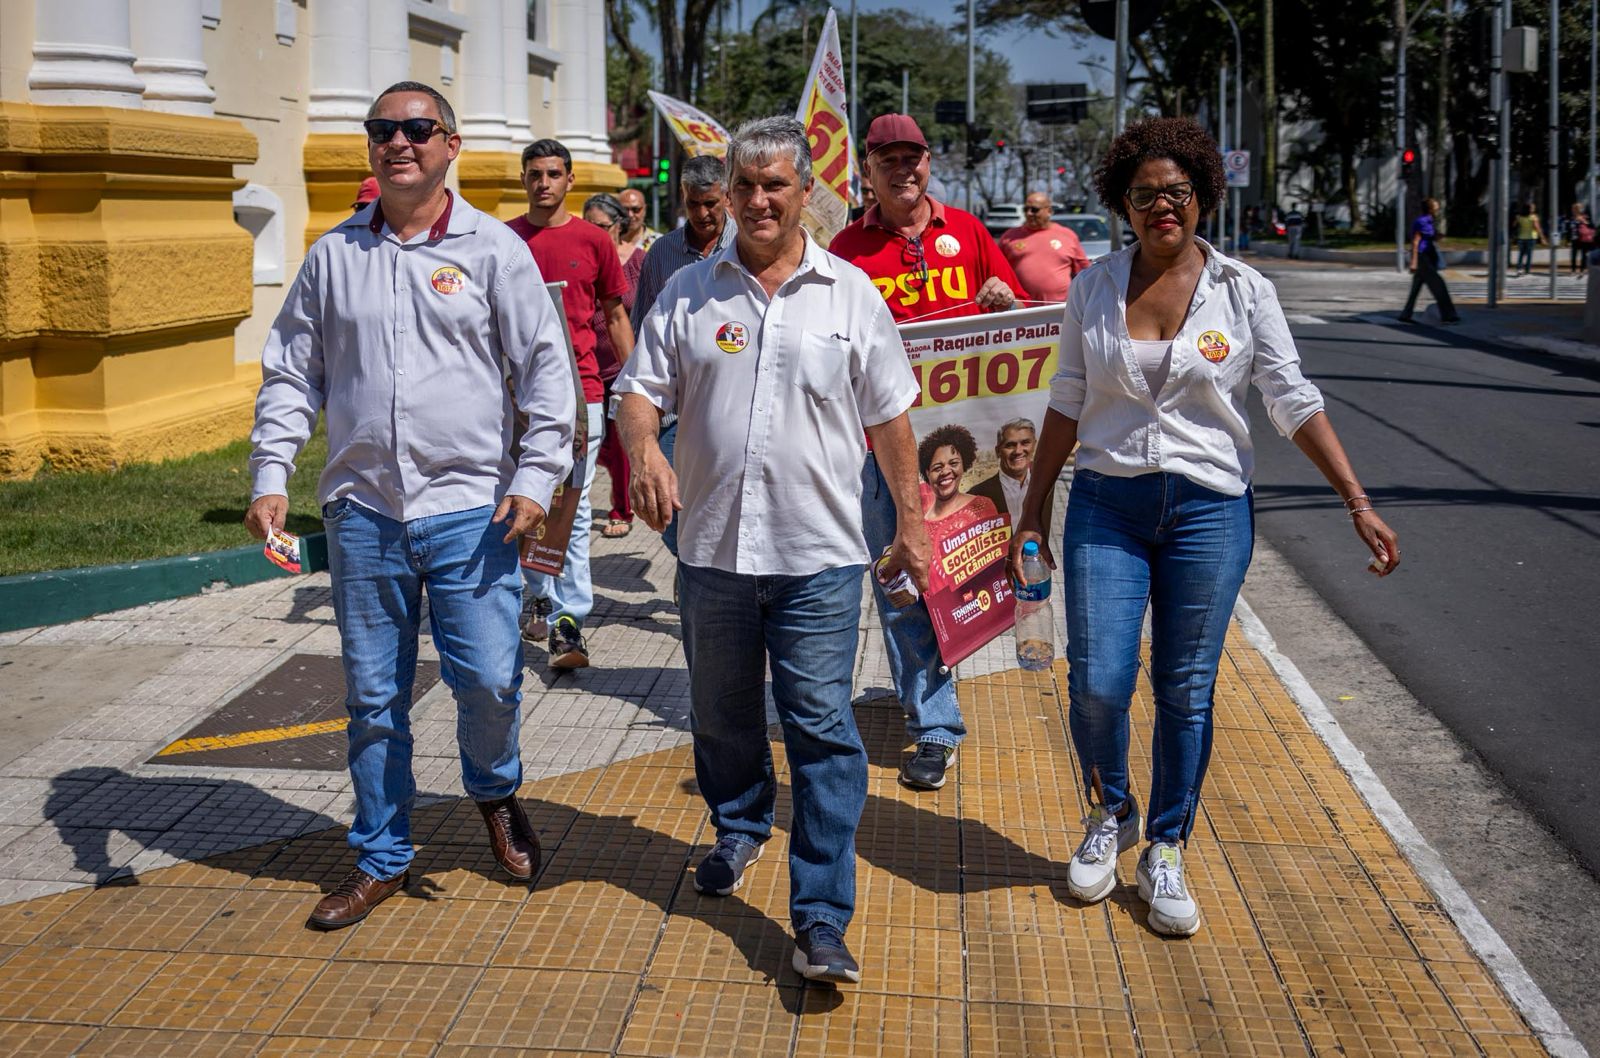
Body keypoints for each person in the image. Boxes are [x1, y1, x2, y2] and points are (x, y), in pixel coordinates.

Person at [1008, 117, 1400, 939]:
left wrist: (1356, 499)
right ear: (1122, 201)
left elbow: (1292, 401)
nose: (1162, 207)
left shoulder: (1244, 291)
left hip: (1209, 512)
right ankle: (1110, 813)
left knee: (1185, 689)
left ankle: (1167, 846)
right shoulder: (1093, 287)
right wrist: (1034, 507)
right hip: (1107, 507)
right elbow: (1069, 400)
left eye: (1177, 192)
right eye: (1145, 194)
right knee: (1101, 681)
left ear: (1202, 196)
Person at [246, 81, 576, 930]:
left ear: (451, 145)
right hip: (366, 513)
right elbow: (291, 373)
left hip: (473, 509)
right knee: (372, 698)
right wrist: (270, 475)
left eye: (417, 129)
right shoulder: (332, 258)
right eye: (383, 130)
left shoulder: (495, 250)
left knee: (491, 682)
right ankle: (382, 855)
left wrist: (535, 480)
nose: (399, 142)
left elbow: (546, 375)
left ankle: (494, 790)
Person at [615, 116, 929, 985]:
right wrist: (644, 447)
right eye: (745, 185)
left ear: (803, 195)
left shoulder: (852, 296)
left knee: (823, 729)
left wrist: (912, 522)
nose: (757, 201)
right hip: (712, 550)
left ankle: (821, 917)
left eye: (775, 186)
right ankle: (741, 826)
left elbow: (890, 418)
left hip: (819, 556)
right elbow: (638, 389)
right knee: (719, 717)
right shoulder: (687, 291)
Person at [829, 112, 1022, 791]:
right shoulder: (846, 249)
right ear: (868, 169)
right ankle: (934, 725)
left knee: (965, 580)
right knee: (905, 585)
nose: (903, 170)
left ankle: (929, 698)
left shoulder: (968, 232)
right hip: (878, 449)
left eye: (913, 158)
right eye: (888, 159)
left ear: (928, 161)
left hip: (957, 453)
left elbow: (1015, 321)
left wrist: (1001, 299)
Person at [507, 139, 632, 670]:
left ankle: (568, 620)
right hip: (514, 400)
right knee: (525, 502)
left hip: (583, 396)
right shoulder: (504, 240)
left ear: (569, 179)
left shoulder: (593, 240)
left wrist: (636, 384)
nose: (544, 183)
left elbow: (616, 316)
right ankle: (535, 592)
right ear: (524, 179)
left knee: (573, 508)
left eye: (553, 173)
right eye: (535, 173)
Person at [631, 154, 736, 561]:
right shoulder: (662, 253)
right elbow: (643, 327)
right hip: (677, 408)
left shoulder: (745, 246)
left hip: (730, 400)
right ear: (682, 200)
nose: (704, 213)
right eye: (694, 204)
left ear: (726, 197)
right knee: (670, 510)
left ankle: (705, 571)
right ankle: (691, 562)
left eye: (711, 203)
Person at [583, 193, 646, 539]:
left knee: (619, 446)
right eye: (588, 225)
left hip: (620, 368)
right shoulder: (581, 258)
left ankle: (622, 509)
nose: (593, 233)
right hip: (585, 367)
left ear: (618, 226)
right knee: (599, 446)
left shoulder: (638, 261)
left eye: (601, 227)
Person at [999, 191, 1091, 304]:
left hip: (1059, 309)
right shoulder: (1009, 237)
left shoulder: (1067, 235)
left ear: (1049, 211)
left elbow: (1084, 273)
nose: (1029, 213)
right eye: (1025, 209)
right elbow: (998, 271)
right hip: (1022, 310)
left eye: (1034, 210)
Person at [970, 417, 1054, 531]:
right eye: (1010, 445)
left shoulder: (1047, 485)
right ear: (998, 451)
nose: (1018, 451)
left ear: (1034, 445)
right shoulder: (977, 495)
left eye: (1025, 443)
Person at [1398, 197, 1461, 324]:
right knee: (1439, 286)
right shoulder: (1422, 221)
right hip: (1423, 258)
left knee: (1416, 286)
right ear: (1431, 209)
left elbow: (1429, 238)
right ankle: (1448, 316)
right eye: (1436, 206)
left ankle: (1406, 313)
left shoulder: (1430, 221)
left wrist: (1437, 236)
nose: (1438, 208)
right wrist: (1414, 262)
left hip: (1427, 257)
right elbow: (1416, 242)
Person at [618, 187, 661, 260]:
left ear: (645, 209)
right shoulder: (610, 241)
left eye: (636, 210)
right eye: (624, 210)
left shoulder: (659, 243)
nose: (630, 215)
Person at [1560, 201, 1594, 276]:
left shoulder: (1585, 217)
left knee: (1583, 255)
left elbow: (1591, 226)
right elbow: (1568, 229)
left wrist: (1584, 221)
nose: (1575, 210)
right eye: (1574, 208)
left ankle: (1582, 270)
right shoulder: (1571, 218)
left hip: (1583, 239)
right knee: (1573, 255)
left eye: (1577, 208)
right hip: (1574, 239)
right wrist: (1567, 240)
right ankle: (1573, 270)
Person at [1513, 202, 1545, 276]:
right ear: (1529, 209)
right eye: (1532, 208)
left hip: (1521, 237)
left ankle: (1519, 269)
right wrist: (1542, 237)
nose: (1534, 209)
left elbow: (1514, 225)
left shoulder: (1519, 217)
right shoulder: (1533, 217)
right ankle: (1527, 270)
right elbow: (1537, 228)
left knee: (1521, 254)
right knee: (1529, 255)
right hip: (1531, 237)